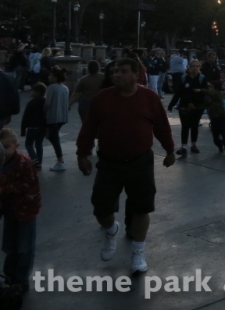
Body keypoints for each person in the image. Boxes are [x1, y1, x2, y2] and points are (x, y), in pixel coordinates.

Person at [75, 58, 176, 274]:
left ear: (136, 74)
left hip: (140, 162)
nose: (116, 75)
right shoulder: (102, 98)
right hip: (109, 163)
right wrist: (82, 154)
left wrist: (170, 150)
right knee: (101, 208)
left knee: (142, 208)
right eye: (114, 71)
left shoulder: (149, 97)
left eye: (122, 71)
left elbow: (161, 126)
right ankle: (112, 230)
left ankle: (138, 251)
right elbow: (88, 128)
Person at [0, 128, 41, 300]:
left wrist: (4, 190)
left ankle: (22, 279)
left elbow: (26, 186)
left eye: (6, 147)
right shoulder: (3, 163)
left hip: (25, 211)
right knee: (10, 246)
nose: (3, 151)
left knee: (24, 247)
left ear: (15, 146)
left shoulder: (23, 163)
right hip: (11, 211)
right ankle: (10, 276)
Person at [173, 60, 206, 156]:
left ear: (199, 67)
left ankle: (193, 144)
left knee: (194, 126)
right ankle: (184, 146)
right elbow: (179, 92)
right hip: (184, 106)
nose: (195, 68)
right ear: (189, 67)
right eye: (193, 66)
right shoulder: (184, 78)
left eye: (197, 66)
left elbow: (204, 93)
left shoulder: (202, 78)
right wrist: (172, 104)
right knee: (185, 126)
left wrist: (197, 105)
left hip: (197, 107)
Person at [44, 67, 70, 172]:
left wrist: (43, 112)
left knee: (54, 138)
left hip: (53, 116)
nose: (48, 77)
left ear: (55, 77)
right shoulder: (65, 88)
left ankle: (60, 160)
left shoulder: (52, 87)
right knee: (53, 136)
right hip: (62, 117)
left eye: (50, 75)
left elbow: (47, 103)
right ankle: (60, 160)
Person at [20, 83, 47, 168]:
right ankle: (39, 161)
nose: (31, 92)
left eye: (33, 91)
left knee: (28, 144)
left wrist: (23, 130)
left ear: (37, 92)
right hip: (42, 127)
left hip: (32, 127)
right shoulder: (46, 102)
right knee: (39, 144)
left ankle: (34, 159)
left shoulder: (32, 102)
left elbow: (25, 117)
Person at [205, 81, 225, 156]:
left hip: (221, 116)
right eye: (208, 87)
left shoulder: (218, 93)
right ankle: (220, 145)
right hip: (213, 117)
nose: (209, 88)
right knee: (215, 137)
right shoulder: (207, 97)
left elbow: (217, 94)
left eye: (211, 86)